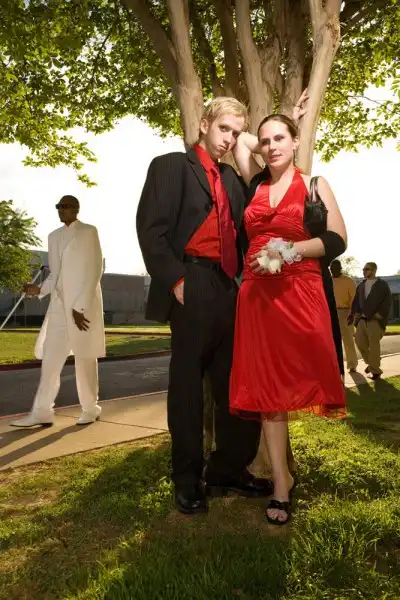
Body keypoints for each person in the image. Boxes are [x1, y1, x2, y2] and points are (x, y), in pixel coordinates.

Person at [230, 114, 346, 525]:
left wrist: (288, 249)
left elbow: (337, 239)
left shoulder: (315, 184)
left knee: (306, 372)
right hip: (257, 299)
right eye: (266, 141)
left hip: (300, 291)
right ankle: (282, 481)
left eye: (281, 138)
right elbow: (241, 143)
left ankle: (283, 475)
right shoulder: (255, 184)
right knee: (268, 393)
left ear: (296, 142)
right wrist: (281, 125)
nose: (271, 146)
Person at [11, 196, 105, 428]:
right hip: (58, 308)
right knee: (50, 360)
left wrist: (80, 307)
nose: (61, 210)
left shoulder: (88, 232)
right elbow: (56, 274)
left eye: (66, 206)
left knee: (85, 358)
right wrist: (39, 289)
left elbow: (95, 269)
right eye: (59, 207)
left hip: (82, 309)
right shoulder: (53, 236)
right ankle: (42, 412)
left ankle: (91, 408)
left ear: (76, 209)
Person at [349, 262, 392, 380]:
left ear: (374, 270)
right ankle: (373, 364)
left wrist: (380, 315)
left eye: (366, 269)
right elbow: (356, 301)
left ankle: (375, 371)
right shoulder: (361, 285)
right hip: (362, 320)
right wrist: (352, 314)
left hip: (375, 320)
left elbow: (388, 302)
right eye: (363, 269)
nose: (364, 271)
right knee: (359, 342)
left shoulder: (382, 285)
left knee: (374, 346)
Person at [330, 259, 358, 372]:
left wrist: (352, 314)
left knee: (348, 340)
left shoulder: (348, 281)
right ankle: (335, 366)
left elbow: (354, 299)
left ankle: (352, 365)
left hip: (345, 312)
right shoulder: (328, 281)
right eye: (331, 269)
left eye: (335, 269)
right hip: (331, 313)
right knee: (332, 341)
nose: (333, 271)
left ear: (340, 268)